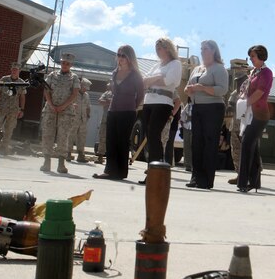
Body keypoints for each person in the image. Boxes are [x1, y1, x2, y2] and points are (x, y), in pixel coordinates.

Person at [94, 45, 144, 180]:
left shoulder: (135, 75)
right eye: (118, 55)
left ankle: (121, 172)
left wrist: (133, 106)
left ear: (129, 58)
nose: (120, 58)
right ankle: (109, 171)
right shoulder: (115, 72)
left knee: (122, 141)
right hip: (113, 109)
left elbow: (140, 94)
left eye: (123, 55)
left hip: (127, 112)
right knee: (111, 140)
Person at [185, 40, 229, 189]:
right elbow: (187, 87)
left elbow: (222, 90)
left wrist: (202, 88)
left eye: (206, 49)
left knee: (209, 144)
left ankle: (206, 180)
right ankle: (195, 177)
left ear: (214, 51)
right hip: (197, 108)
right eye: (201, 49)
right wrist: (189, 89)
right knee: (196, 143)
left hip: (213, 109)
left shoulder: (219, 68)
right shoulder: (197, 68)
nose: (203, 51)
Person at [137, 38, 182, 182]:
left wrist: (154, 79)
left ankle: (155, 172)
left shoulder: (175, 64)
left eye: (160, 47)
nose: (157, 50)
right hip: (149, 102)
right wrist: (158, 77)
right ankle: (152, 169)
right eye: (156, 47)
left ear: (167, 48)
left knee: (155, 135)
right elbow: (144, 81)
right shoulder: (156, 66)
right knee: (149, 136)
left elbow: (169, 81)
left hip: (163, 103)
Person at [238, 45, 273, 193]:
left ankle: (243, 182)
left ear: (261, 56)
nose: (251, 59)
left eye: (253, 56)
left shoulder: (266, 73)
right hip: (249, 113)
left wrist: (245, 104)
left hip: (259, 114)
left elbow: (260, 92)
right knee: (253, 147)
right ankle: (254, 181)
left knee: (247, 144)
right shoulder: (253, 72)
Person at [40, 52, 80, 174]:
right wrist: (51, 105)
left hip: (66, 111)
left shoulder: (74, 78)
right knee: (48, 134)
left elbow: (74, 94)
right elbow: (46, 90)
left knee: (63, 136)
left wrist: (63, 106)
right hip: (50, 110)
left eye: (67, 63)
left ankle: (61, 164)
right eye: (63, 63)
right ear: (60, 63)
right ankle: (47, 162)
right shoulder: (52, 75)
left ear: (71, 65)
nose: (65, 65)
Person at [0, 62, 27, 155]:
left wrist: (22, 109)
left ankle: (4, 149)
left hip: (13, 110)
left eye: (16, 69)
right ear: (11, 70)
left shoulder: (21, 83)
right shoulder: (4, 79)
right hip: (1, 108)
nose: (14, 71)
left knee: (9, 130)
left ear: (19, 71)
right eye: (13, 69)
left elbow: (22, 97)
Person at [67, 77, 91, 162]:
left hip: (83, 120)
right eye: (84, 87)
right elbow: (68, 102)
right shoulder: (74, 93)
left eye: (86, 88)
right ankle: (68, 154)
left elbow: (88, 106)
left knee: (82, 137)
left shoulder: (86, 95)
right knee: (71, 136)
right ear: (80, 85)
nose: (85, 90)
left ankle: (81, 155)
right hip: (73, 118)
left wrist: (88, 115)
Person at [96, 82, 112, 164]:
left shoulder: (120, 92)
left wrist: (108, 102)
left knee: (114, 139)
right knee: (102, 137)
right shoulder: (107, 93)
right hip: (106, 118)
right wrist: (109, 102)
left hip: (116, 118)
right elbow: (100, 101)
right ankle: (100, 157)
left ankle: (112, 159)